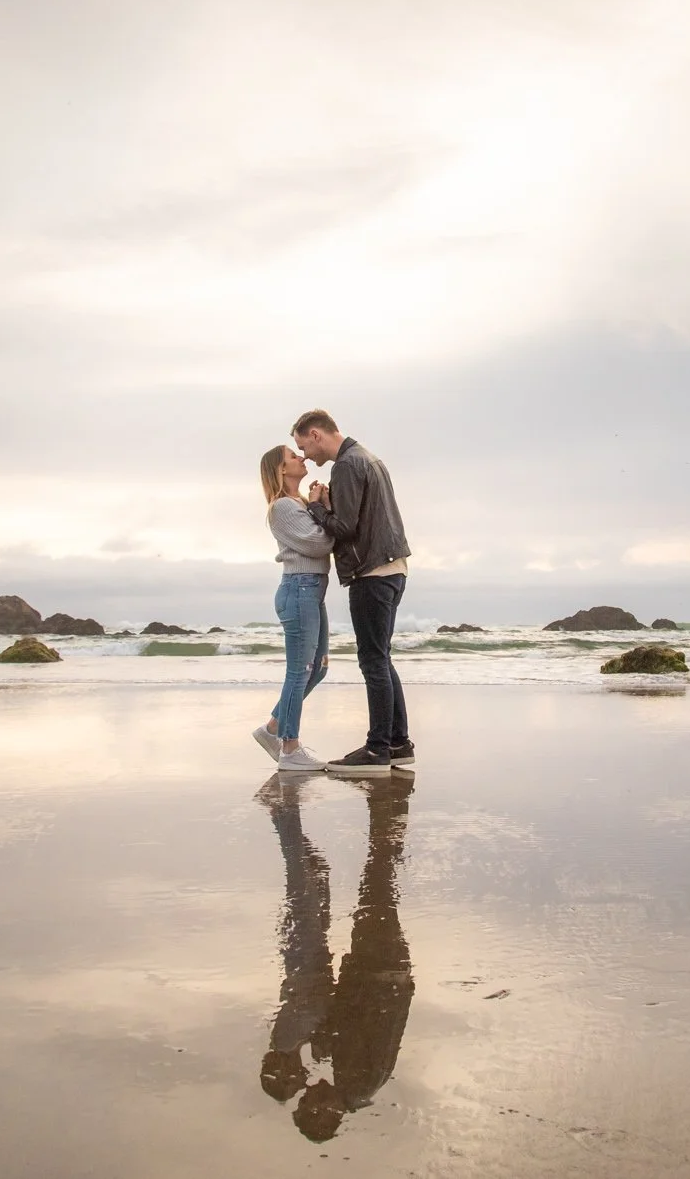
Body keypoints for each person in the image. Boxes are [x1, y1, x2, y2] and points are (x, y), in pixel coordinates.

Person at [256, 772, 415, 1142]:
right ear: (321, 1110)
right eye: (307, 1098)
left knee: (375, 885)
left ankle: (386, 812)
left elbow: (352, 1018)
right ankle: (387, 811)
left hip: (382, 973)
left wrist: (327, 1034)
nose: (308, 1088)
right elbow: (366, 1019)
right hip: (379, 972)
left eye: (301, 1092)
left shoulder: (357, 1085)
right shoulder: (357, 1082)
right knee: (376, 884)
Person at [291, 409, 413, 776]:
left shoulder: (345, 465)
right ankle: (398, 744)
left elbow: (344, 528)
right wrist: (331, 507)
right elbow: (358, 517)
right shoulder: (369, 458)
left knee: (372, 661)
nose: (307, 457)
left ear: (316, 434)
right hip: (393, 568)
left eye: (303, 446)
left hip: (371, 572)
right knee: (382, 658)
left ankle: (377, 750)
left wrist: (315, 508)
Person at [254, 443, 332, 773]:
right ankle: (289, 747)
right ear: (281, 470)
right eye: (293, 456)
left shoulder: (297, 503)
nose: (301, 458)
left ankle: (273, 728)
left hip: (311, 591)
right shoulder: (283, 507)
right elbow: (320, 543)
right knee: (299, 671)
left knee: (319, 668)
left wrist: (319, 506)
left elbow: (320, 538)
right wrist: (319, 510)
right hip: (298, 589)